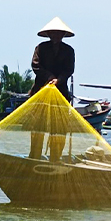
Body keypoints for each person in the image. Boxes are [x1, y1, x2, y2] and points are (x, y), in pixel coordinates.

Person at [28, 17, 76, 161]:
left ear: (63, 35)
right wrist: (49, 76)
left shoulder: (68, 51)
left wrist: (58, 80)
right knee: (38, 126)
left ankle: (55, 158)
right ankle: (34, 156)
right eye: (53, 34)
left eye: (58, 34)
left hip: (60, 92)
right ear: (48, 35)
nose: (55, 36)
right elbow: (35, 65)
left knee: (59, 128)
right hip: (40, 91)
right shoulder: (41, 48)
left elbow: (69, 70)